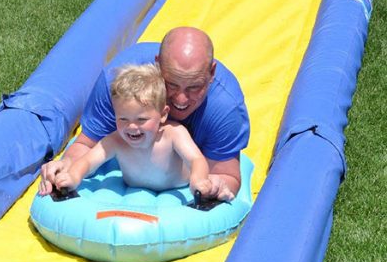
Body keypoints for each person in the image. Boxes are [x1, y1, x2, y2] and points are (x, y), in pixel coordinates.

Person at [39, 27, 249, 201]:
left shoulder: (224, 108)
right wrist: (68, 166)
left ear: (211, 74)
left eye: (194, 87)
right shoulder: (121, 88)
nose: (181, 100)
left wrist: (214, 185)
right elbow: (87, 146)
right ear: (157, 64)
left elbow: (224, 174)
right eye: (172, 85)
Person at [51, 63, 216, 198]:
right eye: (123, 119)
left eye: (141, 119)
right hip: (134, 192)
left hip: (178, 187)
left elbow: (196, 159)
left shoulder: (173, 134)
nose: (131, 127)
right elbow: (87, 161)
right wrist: (73, 176)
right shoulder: (116, 140)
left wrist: (199, 179)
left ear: (163, 115)